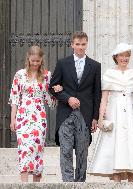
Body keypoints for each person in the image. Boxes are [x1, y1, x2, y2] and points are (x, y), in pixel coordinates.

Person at [87, 43, 133, 182]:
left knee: (132, 144)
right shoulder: (109, 74)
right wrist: (100, 118)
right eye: (122, 55)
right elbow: (104, 98)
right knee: (114, 146)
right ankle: (116, 184)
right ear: (116, 57)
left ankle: (131, 183)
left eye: (127, 56)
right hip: (114, 112)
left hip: (132, 112)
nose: (124, 58)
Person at [49, 31, 101, 182]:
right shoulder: (62, 63)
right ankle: (67, 183)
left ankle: (79, 184)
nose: (80, 47)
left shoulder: (95, 66)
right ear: (72, 44)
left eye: (83, 44)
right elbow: (53, 87)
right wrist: (68, 98)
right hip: (65, 114)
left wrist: (95, 117)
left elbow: (96, 93)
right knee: (65, 150)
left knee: (82, 152)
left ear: (87, 44)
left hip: (85, 115)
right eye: (77, 44)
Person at [9, 45, 62, 182]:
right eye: (33, 61)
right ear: (28, 59)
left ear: (41, 59)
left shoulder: (46, 75)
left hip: (39, 116)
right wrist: (12, 119)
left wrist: (58, 91)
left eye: (37, 61)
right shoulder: (19, 74)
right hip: (22, 116)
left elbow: (50, 100)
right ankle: (24, 184)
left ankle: (36, 184)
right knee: (24, 149)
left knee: (37, 149)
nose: (35, 63)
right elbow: (15, 97)